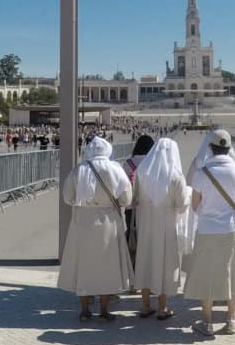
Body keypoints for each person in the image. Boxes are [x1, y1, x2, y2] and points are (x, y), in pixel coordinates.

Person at [183, 131, 235, 337]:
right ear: (229, 148)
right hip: (233, 229)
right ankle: (231, 319)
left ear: (211, 148)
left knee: (207, 275)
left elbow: (195, 205)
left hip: (207, 230)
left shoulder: (201, 172)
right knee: (234, 273)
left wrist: (209, 212)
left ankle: (207, 321)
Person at [58, 136, 133, 322]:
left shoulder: (79, 170)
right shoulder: (115, 169)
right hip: (108, 220)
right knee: (106, 265)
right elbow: (127, 198)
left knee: (84, 265)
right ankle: (104, 309)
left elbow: (67, 197)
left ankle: (84, 309)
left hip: (83, 220)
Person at [133, 137, 190, 321]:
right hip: (167, 225)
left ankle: (145, 305)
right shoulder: (175, 176)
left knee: (146, 260)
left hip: (146, 224)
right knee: (165, 263)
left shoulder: (142, 171)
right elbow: (182, 205)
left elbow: (135, 199)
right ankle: (162, 307)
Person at [123, 134, 154, 269]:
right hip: (149, 208)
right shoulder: (153, 163)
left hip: (131, 207)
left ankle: (133, 272)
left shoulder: (128, 163)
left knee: (132, 238)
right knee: (148, 242)